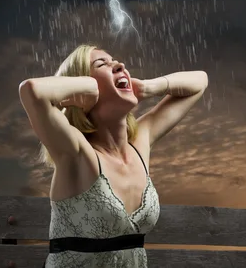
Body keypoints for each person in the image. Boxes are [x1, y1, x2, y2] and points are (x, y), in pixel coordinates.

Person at [18, 44, 209, 268]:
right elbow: (31, 90)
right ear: (80, 91)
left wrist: (149, 87)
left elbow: (200, 81)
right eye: (102, 64)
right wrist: (89, 86)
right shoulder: (76, 152)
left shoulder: (140, 142)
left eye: (115, 61)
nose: (119, 65)